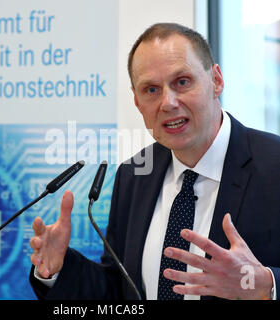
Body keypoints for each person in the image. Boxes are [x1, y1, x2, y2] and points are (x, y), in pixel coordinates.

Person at [29, 23, 280, 300]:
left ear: (216, 80)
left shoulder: (274, 165)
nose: (168, 102)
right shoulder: (134, 173)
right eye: (151, 90)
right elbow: (119, 289)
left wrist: (266, 285)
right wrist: (59, 270)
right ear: (137, 102)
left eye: (182, 82)